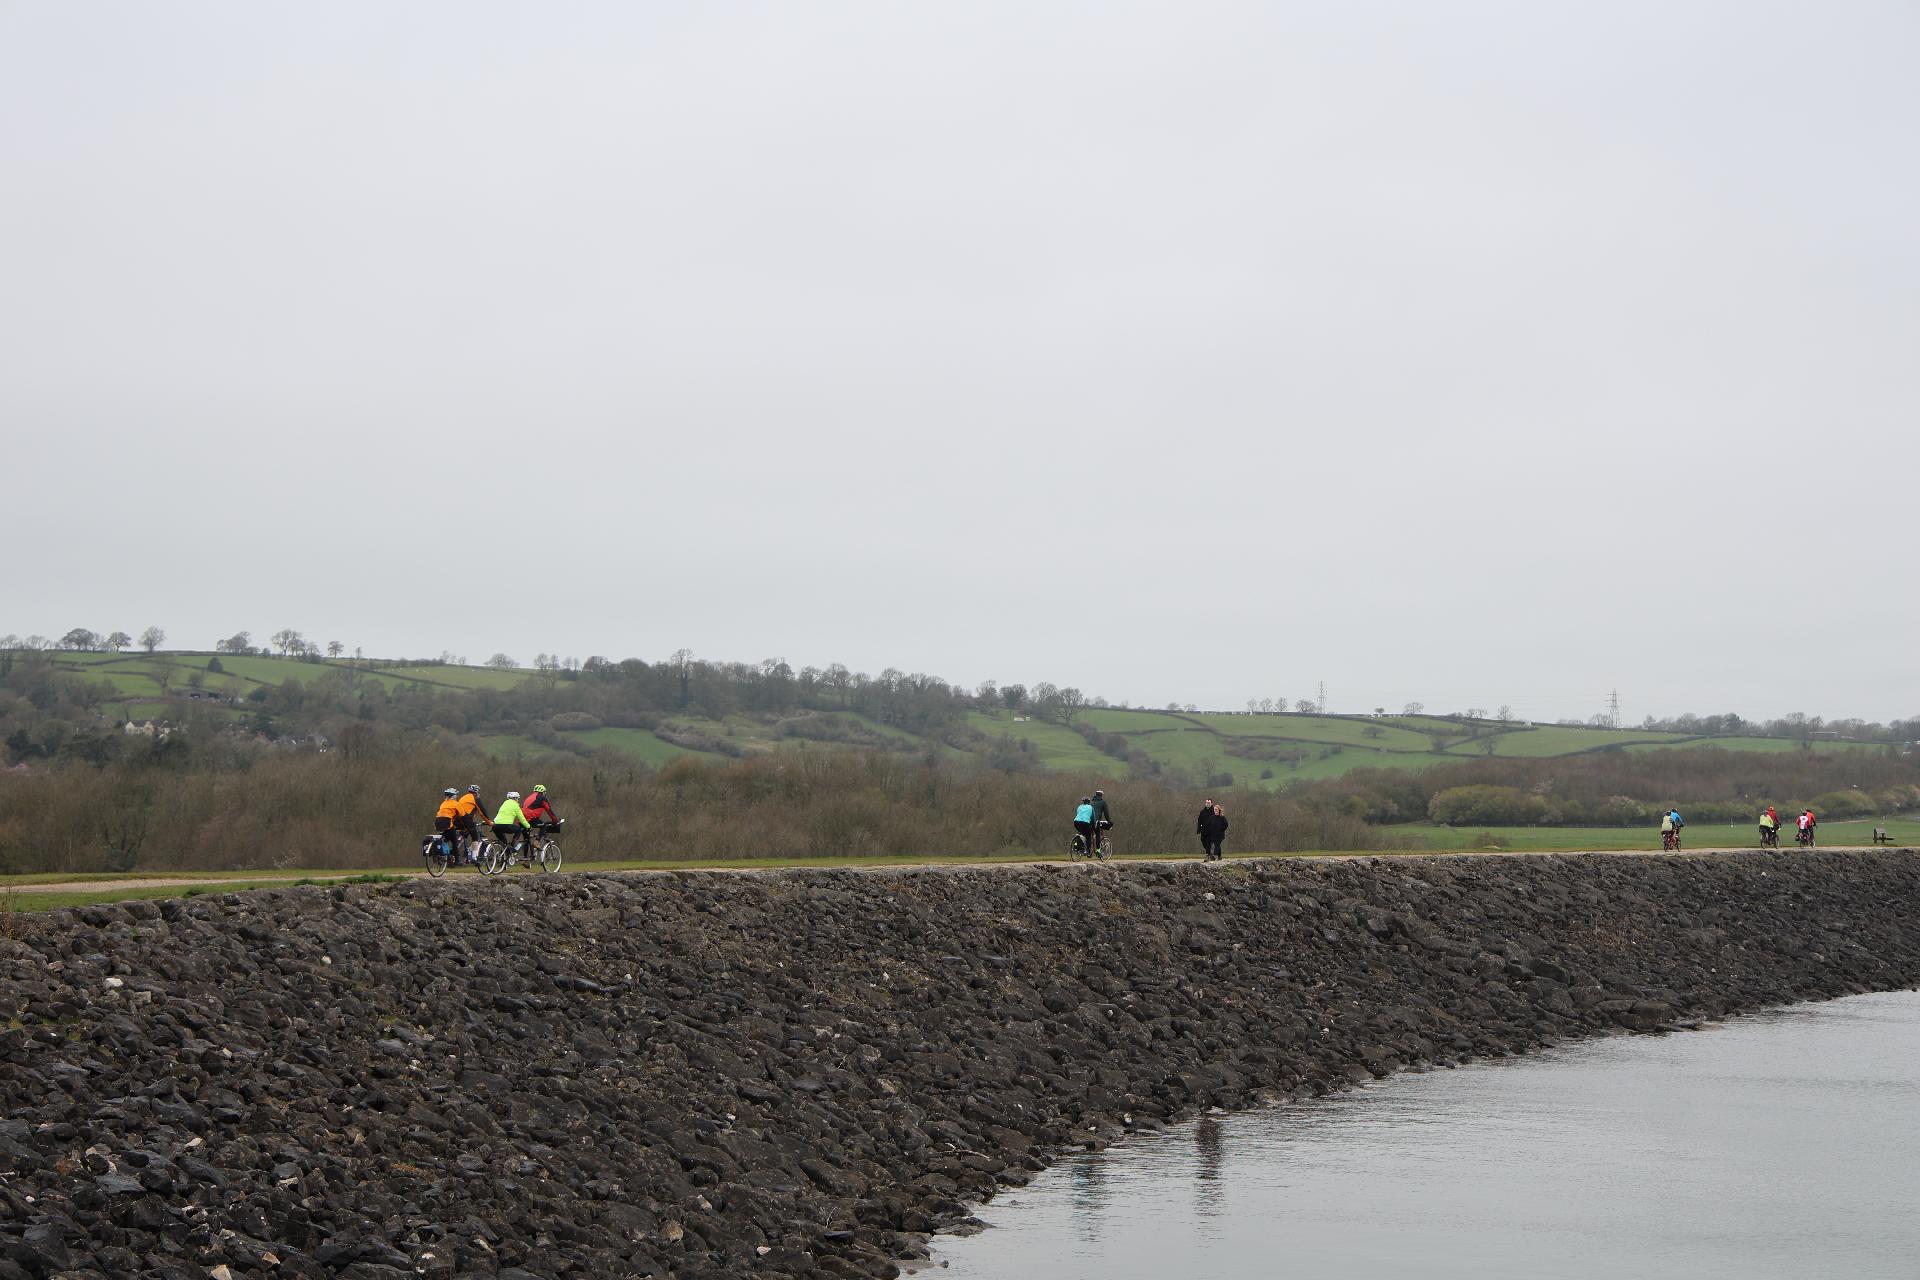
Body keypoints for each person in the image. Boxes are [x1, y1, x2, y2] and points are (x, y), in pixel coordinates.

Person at [451, 784, 486, 863]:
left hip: (457, 820)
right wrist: (490, 822)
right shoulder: (475, 798)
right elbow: (483, 812)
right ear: (476, 792)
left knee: (464, 833)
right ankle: (474, 857)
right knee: (475, 835)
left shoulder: (463, 797)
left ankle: (458, 853)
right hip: (465, 820)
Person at [1088, 789, 1113, 855]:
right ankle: (1098, 851)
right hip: (1095, 821)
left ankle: (1089, 850)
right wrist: (1109, 821)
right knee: (1098, 835)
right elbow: (1106, 813)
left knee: (1088, 835)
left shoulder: (1091, 802)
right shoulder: (1103, 802)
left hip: (1087, 820)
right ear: (1101, 795)